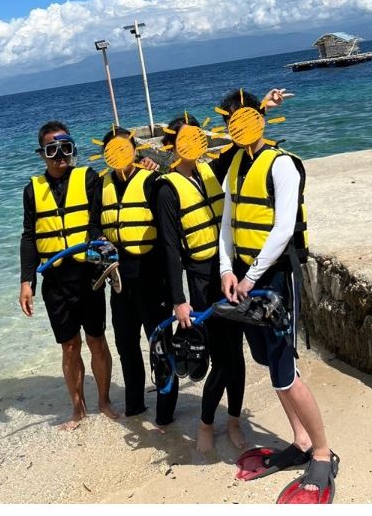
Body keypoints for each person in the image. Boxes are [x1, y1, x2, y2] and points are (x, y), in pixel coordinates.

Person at [218, 89, 339, 503]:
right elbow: (227, 224)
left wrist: (250, 276)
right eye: (230, 120)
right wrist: (226, 270)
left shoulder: (282, 164)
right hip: (245, 279)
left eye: (244, 117)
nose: (237, 126)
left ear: (260, 119)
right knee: (271, 364)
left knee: (285, 371)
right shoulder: (235, 165)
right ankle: (301, 441)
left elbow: (284, 227)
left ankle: (322, 453)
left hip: (274, 280)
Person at [154, 112, 246, 453]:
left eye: (197, 136)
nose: (193, 143)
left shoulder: (211, 170)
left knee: (237, 355)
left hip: (229, 272)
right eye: (185, 138)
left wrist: (261, 110)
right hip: (201, 281)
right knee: (222, 359)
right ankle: (206, 424)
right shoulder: (167, 189)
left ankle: (233, 420)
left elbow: (240, 141)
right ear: (173, 144)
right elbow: (169, 248)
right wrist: (179, 300)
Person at [19, 120, 118, 430]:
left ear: (72, 148)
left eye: (65, 148)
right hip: (55, 281)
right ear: (42, 154)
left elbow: (110, 200)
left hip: (88, 276)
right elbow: (29, 236)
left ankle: (104, 401)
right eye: (52, 150)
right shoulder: (32, 190)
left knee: (96, 340)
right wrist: (26, 281)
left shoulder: (88, 178)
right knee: (69, 346)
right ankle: (77, 409)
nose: (59, 155)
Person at [89, 127, 179, 428]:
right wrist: (100, 240)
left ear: (134, 150)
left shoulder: (151, 181)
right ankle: (135, 405)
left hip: (153, 280)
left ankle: (165, 412)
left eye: (123, 148)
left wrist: (175, 289)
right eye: (112, 150)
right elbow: (92, 225)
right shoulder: (101, 185)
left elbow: (168, 230)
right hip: (119, 283)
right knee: (126, 346)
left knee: (160, 346)